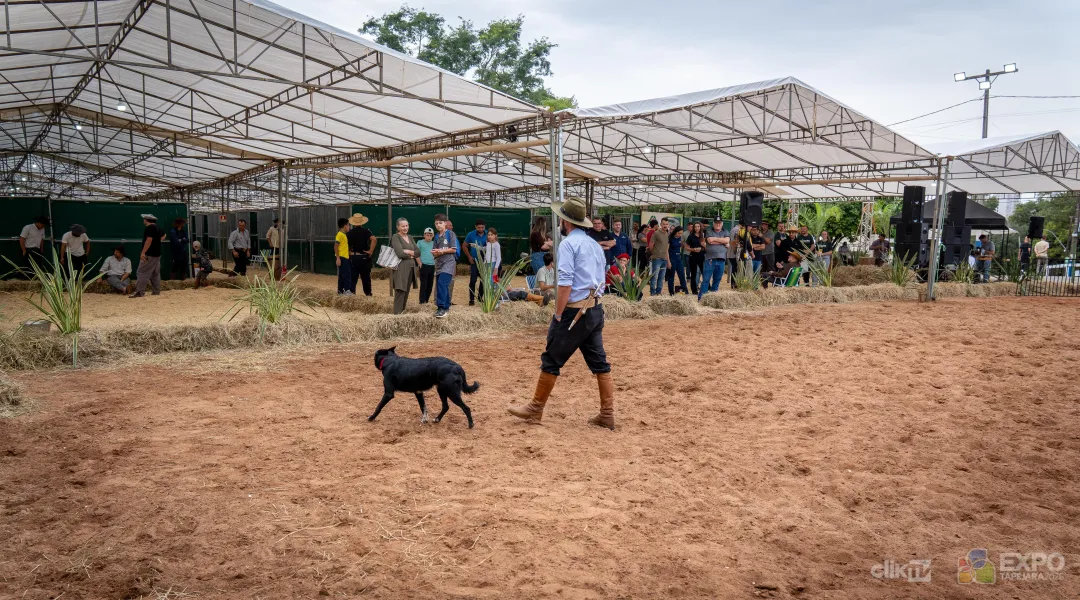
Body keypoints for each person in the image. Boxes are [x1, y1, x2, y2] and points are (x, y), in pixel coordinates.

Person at [508, 196, 616, 430]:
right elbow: (602, 278)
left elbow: (564, 284)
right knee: (600, 362)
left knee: (551, 359)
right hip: (595, 309)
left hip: (574, 312)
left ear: (565, 221)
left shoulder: (567, 245)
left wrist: (558, 314)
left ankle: (536, 409)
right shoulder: (594, 245)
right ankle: (607, 414)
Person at [389, 218, 419, 314]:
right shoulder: (395, 237)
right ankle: (397, 315)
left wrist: (407, 251)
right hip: (401, 268)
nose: (405, 228)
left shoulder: (410, 237)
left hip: (411, 268)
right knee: (400, 292)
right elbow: (399, 254)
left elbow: (418, 252)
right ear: (398, 227)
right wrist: (411, 253)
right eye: (403, 226)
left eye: (406, 225)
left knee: (406, 292)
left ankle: (402, 313)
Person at [432, 214, 458, 319]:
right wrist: (435, 252)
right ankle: (446, 307)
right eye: (436, 223)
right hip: (439, 265)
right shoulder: (436, 237)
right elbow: (434, 252)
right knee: (442, 286)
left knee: (442, 283)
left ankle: (441, 308)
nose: (438, 225)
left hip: (448, 264)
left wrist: (441, 251)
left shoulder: (450, 234)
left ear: (445, 223)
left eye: (440, 223)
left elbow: (453, 249)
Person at [130, 214, 163, 298]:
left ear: (147, 220)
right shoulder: (158, 227)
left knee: (142, 272)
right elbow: (164, 235)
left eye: (144, 219)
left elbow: (149, 240)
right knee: (155, 273)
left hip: (150, 254)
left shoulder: (149, 228)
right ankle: (156, 292)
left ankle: (139, 292)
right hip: (157, 254)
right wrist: (157, 243)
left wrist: (143, 253)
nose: (143, 220)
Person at [345, 213, 376, 296]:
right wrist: (370, 251)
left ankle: (351, 294)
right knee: (366, 278)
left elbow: (345, 244)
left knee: (352, 278)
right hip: (364, 257)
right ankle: (368, 294)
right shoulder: (366, 231)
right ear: (362, 222)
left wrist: (348, 252)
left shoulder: (349, 233)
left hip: (353, 257)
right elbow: (374, 239)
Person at [699, 217, 729, 299]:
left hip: (721, 259)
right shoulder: (709, 231)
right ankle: (701, 298)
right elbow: (710, 241)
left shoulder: (725, 231)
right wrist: (722, 241)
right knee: (706, 280)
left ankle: (712, 299)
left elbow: (727, 241)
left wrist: (716, 240)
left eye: (719, 223)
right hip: (710, 259)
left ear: (722, 224)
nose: (718, 224)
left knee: (717, 280)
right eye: (716, 223)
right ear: (713, 223)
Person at [462, 219, 487, 306]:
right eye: (479, 227)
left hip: (485, 262)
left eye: (482, 227)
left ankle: (480, 298)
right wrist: (469, 257)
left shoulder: (488, 234)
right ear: (475, 227)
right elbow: (464, 246)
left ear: (485, 226)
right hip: (474, 261)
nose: (480, 229)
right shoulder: (471, 234)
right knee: (473, 280)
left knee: (483, 280)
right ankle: (471, 300)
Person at [647, 219, 670, 295]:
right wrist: (654, 253)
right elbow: (650, 245)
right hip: (657, 258)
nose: (665, 225)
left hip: (664, 259)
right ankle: (653, 293)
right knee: (655, 276)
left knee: (661, 277)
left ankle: (658, 292)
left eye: (666, 224)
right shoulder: (656, 233)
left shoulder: (667, 234)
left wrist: (668, 259)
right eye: (664, 224)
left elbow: (666, 248)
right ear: (660, 224)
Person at [685, 222, 705, 296]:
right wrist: (693, 249)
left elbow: (706, 247)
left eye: (698, 226)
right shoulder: (690, 236)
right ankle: (694, 290)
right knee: (693, 274)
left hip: (701, 256)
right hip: (693, 256)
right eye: (695, 227)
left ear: (700, 227)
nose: (697, 228)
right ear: (693, 228)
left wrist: (702, 248)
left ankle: (706, 288)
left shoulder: (703, 236)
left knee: (704, 273)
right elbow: (686, 247)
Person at [665, 226, 687, 295]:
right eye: (679, 233)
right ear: (675, 232)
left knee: (682, 274)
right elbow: (666, 250)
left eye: (681, 233)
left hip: (678, 258)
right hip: (671, 258)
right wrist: (668, 261)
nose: (680, 235)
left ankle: (685, 290)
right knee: (671, 276)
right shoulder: (670, 238)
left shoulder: (680, 238)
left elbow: (682, 245)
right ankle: (671, 292)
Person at [417, 227, 436, 304]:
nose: (429, 237)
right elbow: (416, 254)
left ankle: (426, 300)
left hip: (432, 265)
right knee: (424, 283)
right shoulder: (420, 242)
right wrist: (420, 264)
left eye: (430, 235)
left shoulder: (434, 243)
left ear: (433, 236)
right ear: (424, 235)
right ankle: (422, 301)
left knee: (430, 284)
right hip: (424, 265)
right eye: (427, 235)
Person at [727, 222, 748, 288]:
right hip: (733, 254)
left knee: (736, 269)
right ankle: (733, 285)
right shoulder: (736, 230)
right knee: (735, 270)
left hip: (735, 254)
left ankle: (735, 285)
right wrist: (736, 252)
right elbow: (733, 242)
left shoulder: (738, 229)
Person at [334, 217, 351, 295]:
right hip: (342, 257)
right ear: (345, 226)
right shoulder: (340, 235)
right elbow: (336, 246)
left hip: (344, 257)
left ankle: (340, 291)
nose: (349, 227)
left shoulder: (343, 235)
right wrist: (338, 258)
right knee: (347, 274)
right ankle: (347, 290)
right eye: (348, 225)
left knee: (341, 275)